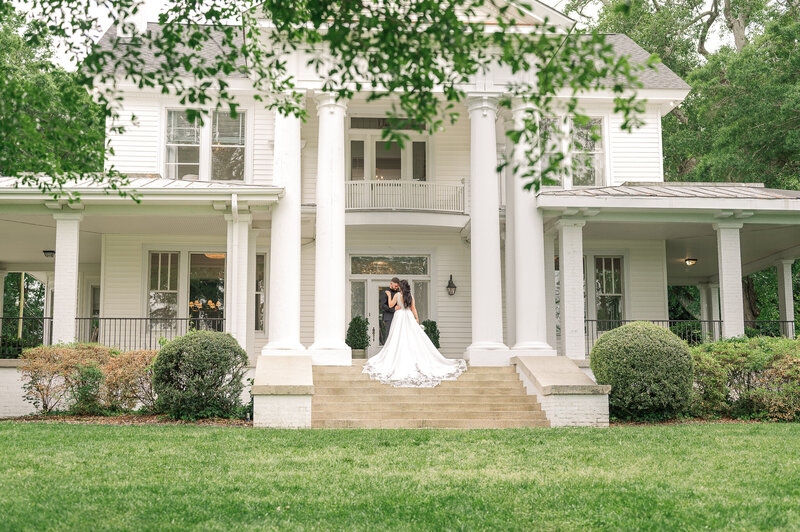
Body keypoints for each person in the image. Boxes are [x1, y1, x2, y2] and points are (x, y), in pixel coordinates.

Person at [363, 279, 467, 387]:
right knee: (411, 337)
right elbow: (413, 308)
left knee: (398, 337)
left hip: (399, 316)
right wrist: (417, 319)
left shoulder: (398, 295)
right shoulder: (410, 296)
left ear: (400, 287)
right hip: (408, 316)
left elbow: (390, 305)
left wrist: (389, 295)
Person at [379, 278, 401, 345]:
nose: (396, 287)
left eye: (398, 286)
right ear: (391, 283)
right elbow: (383, 306)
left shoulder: (399, 293)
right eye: (396, 286)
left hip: (398, 316)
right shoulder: (385, 292)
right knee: (389, 335)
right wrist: (394, 309)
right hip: (389, 317)